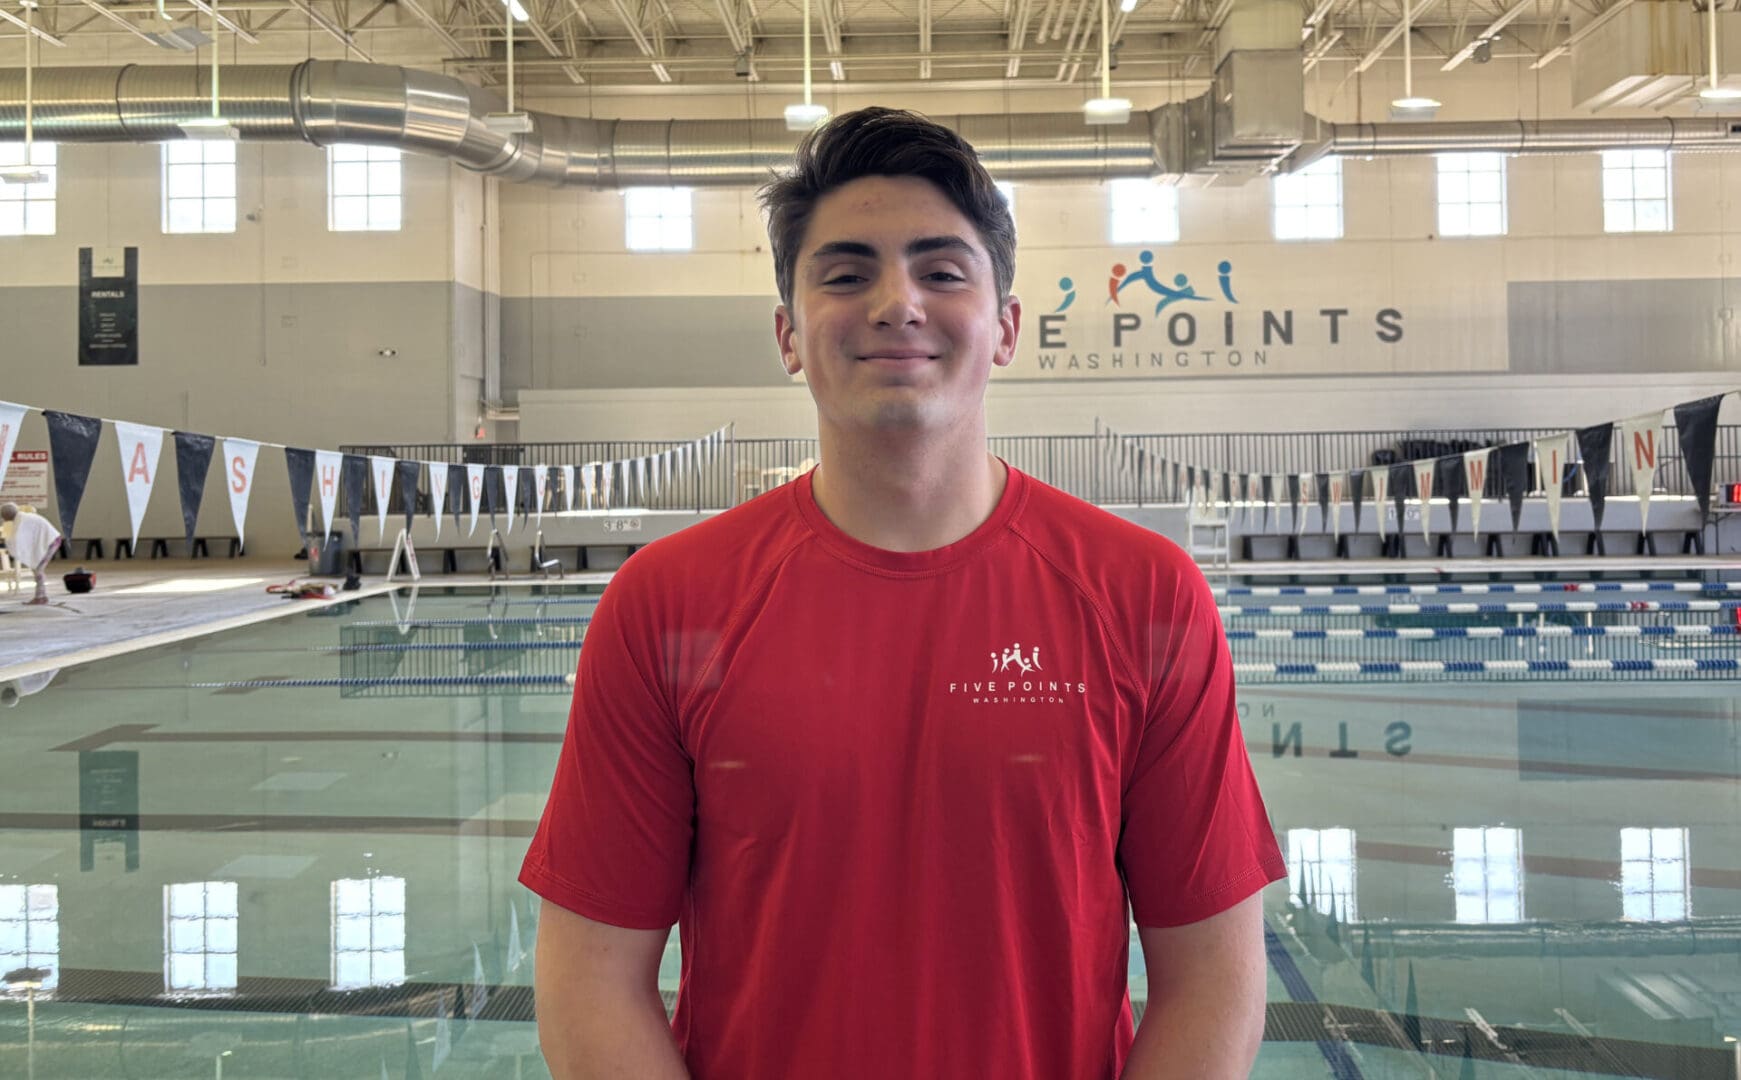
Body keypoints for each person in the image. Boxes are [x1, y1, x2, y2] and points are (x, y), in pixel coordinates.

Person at [520, 107, 1286, 1080]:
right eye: (845, 274)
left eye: (941, 270)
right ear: (788, 336)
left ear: (1005, 327)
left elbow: (1214, 978)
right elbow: (590, 980)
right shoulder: (667, 606)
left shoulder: (1142, 595)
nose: (897, 303)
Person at [1, 503, 62, 605]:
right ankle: (42, 596)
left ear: (7, 516)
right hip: (51, 540)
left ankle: (40, 597)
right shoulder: (22, 517)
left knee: (39, 570)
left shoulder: (21, 521)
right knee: (37, 569)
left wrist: (7, 543)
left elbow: (17, 539)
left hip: (51, 541)